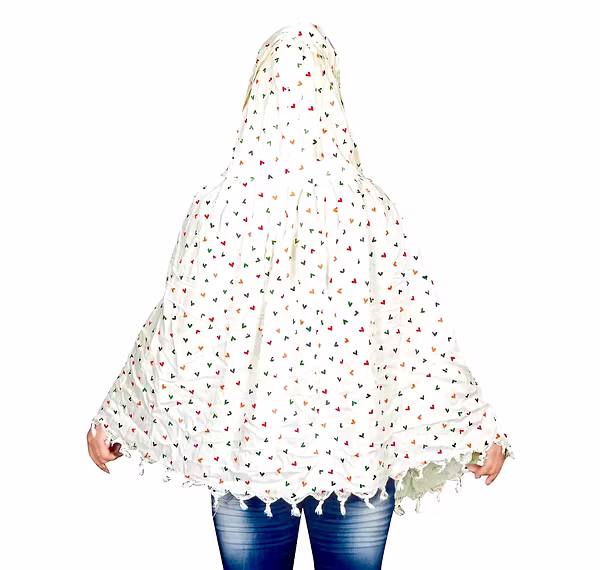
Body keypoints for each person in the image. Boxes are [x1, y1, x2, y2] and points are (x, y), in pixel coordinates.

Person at [87, 21, 515, 570]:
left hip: (249, 455)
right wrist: (475, 423)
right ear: (332, 94)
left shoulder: (222, 208)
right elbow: (416, 332)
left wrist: (118, 413)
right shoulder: (368, 208)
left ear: (257, 92)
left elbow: (180, 331)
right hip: (353, 448)